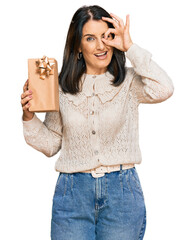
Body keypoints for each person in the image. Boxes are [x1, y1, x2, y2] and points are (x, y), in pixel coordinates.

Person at [20, 5, 174, 240]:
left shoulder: (129, 82)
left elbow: (164, 89)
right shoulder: (61, 88)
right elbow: (51, 144)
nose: (101, 46)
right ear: (78, 46)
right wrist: (29, 117)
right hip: (72, 195)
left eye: (106, 36)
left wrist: (130, 47)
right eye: (90, 38)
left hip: (122, 194)